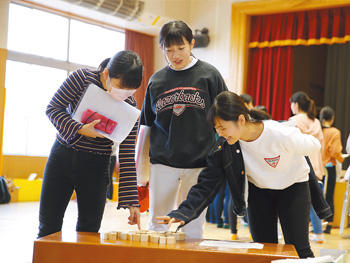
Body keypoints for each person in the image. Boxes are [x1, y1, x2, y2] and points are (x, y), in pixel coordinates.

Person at [157, 91, 321, 258]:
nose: (219, 133)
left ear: (241, 120)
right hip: (259, 192)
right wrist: (183, 212)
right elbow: (207, 184)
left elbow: (314, 145)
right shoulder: (226, 146)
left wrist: (297, 144)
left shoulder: (279, 133)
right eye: (216, 129)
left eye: (222, 127)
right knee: (263, 250)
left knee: (299, 250)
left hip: (293, 188)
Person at [137, 20, 227, 239]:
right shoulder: (156, 80)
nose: (175, 55)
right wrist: (141, 171)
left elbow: (225, 114)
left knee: (192, 224)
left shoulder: (209, 75)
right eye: (169, 50)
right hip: (163, 162)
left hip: (200, 162)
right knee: (157, 222)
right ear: (162, 49)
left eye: (181, 48)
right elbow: (146, 126)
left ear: (192, 44)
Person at [38, 50, 143, 238]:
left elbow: (127, 153)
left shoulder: (130, 106)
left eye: (130, 91)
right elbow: (53, 109)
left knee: (89, 230)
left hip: (97, 167)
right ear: (106, 74)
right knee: (48, 226)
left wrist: (132, 201)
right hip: (62, 158)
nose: (124, 95)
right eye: (120, 88)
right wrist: (79, 128)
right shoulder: (82, 78)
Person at [289, 91, 324, 244]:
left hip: (301, 167)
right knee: (314, 201)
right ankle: (318, 232)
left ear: (295, 104)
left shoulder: (294, 121)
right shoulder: (316, 122)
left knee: (299, 204)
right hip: (316, 166)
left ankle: (300, 233)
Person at [320, 106, 344, 234]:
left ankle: (316, 224)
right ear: (332, 118)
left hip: (317, 168)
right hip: (329, 168)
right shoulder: (335, 132)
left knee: (316, 195)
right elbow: (335, 151)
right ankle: (328, 225)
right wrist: (341, 159)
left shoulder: (317, 130)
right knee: (329, 196)